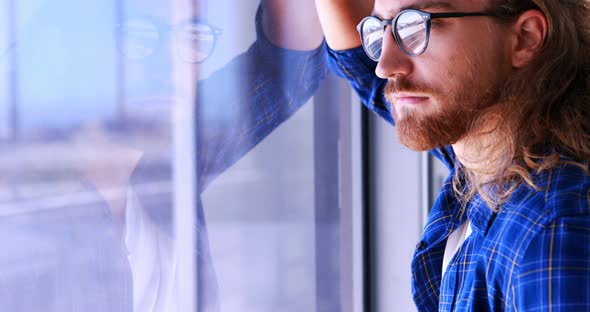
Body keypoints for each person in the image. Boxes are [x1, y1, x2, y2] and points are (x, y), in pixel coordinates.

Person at [0, 0, 326, 311]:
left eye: (191, 35)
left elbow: (290, 65)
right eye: (139, 37)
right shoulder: (21, 203)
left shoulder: (171, 163)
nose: (170, 66)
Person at [316, 0, 590, 310]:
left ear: (525, 38)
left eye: (417, 26)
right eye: (380, 30)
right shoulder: (485, 156)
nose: (385, 65)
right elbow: (360, 64)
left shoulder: (552, 234)